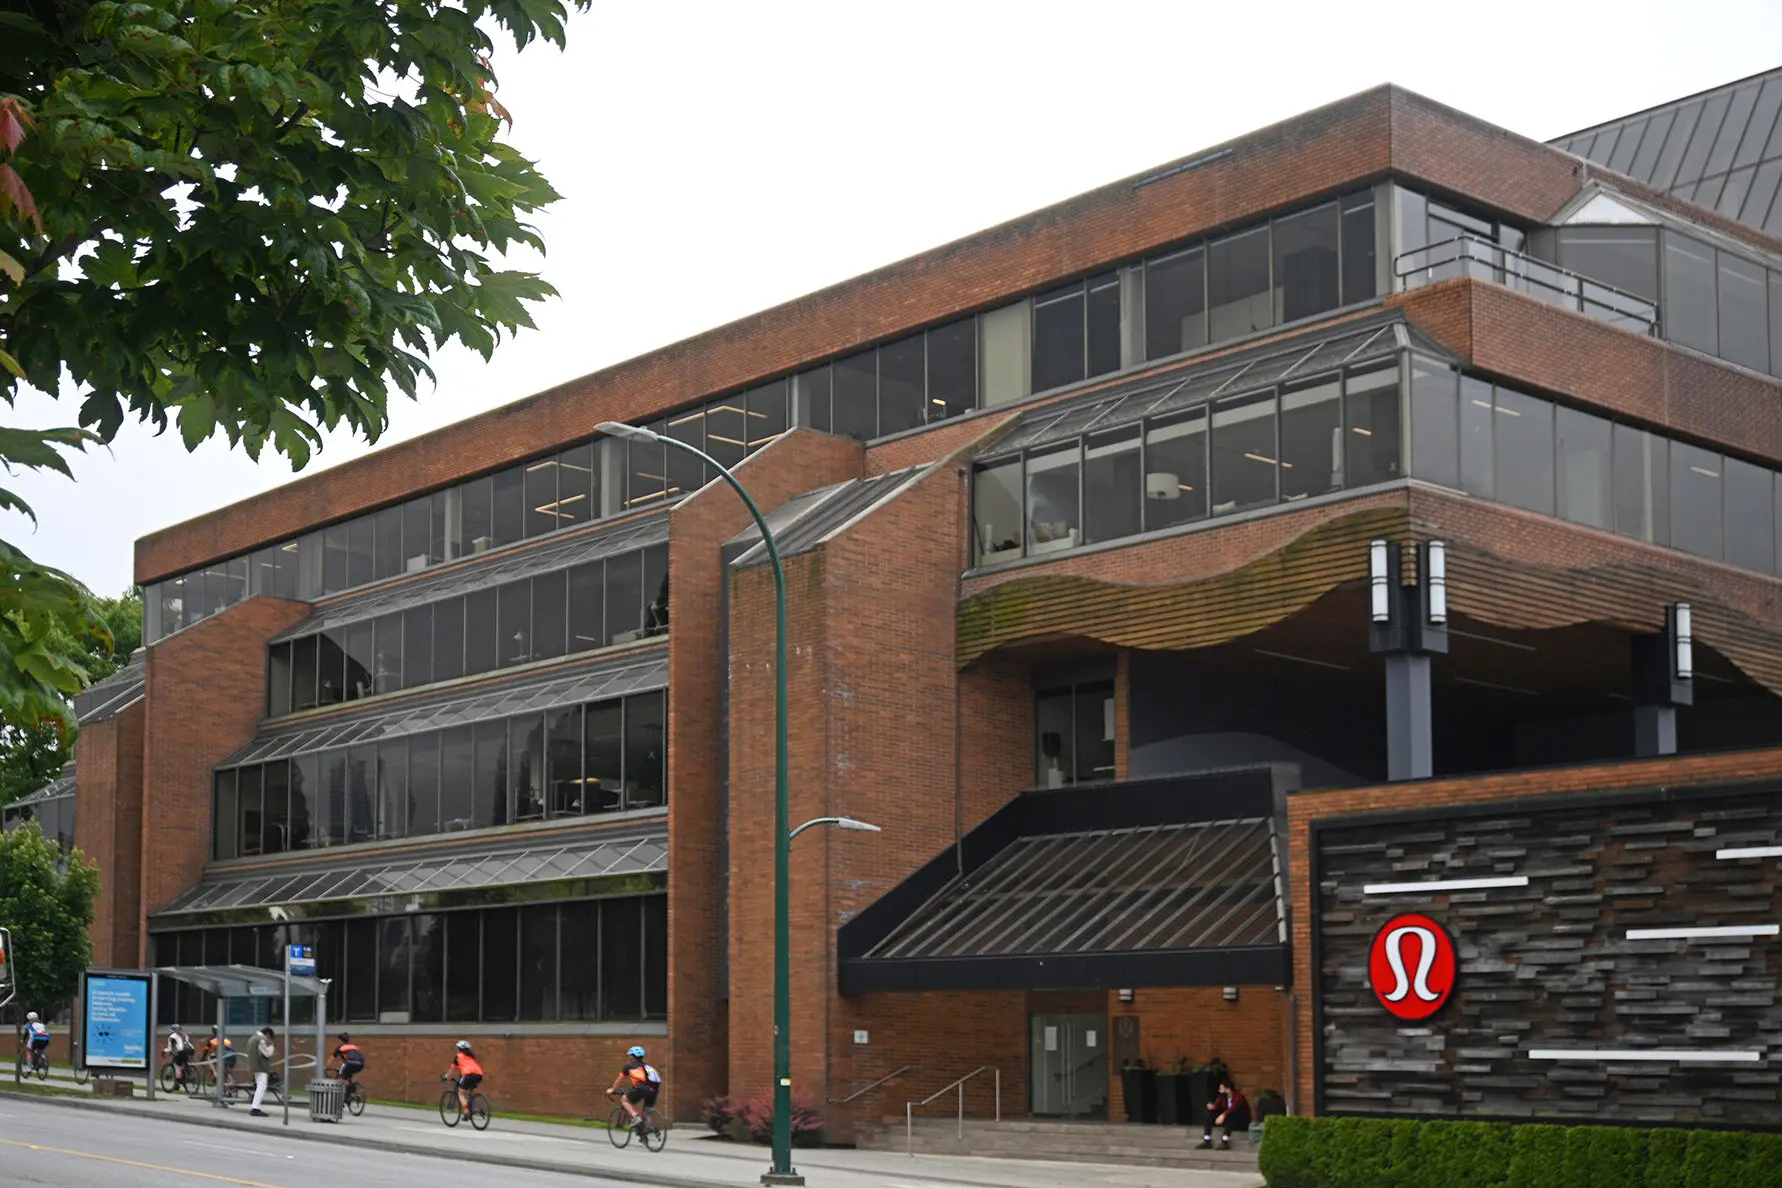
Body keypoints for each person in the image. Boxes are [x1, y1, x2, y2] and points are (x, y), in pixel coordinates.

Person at [606, 1045, 661, 1131]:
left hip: (641, 1089)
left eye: (629, 1055)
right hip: (654, 1090)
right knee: (646, 1110)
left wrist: (612, 1090)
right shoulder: (647, 1067)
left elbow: (618, 1080)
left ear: (632, 1056)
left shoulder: (629, 1066)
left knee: (624, 1100)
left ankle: (635, 1117)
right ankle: (648, 1127)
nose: (628, 1057)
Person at [1197, 1079, 1251, 1150]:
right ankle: (1207, 1139)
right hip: (1226, 1119)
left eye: (1222, 1089)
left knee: (1230, 1115)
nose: (1220, 1091)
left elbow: (1233, 1108)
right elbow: (1217, 1104)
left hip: (1239, 1120)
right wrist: (1212, 1106)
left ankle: (1225, 1140)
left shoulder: (1238, 1097)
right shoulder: (1222, 1097)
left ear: (1228, 1089)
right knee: (1209, 1114)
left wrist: (1223, 1115)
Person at [446, 1041, 483, 1118]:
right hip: (479, 1075)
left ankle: (466, 1111)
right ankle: (473, 1107)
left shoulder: (458, 1056)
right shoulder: (471, 1057)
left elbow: (452, 1069)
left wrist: (446, 1076)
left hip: (468, 1075)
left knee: (461, 1093)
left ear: (459, 1049)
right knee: (470, 1091)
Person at [248, 1028, 277, 1117]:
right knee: (261, 1087)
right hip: (261, 1067)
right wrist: (272, 1045)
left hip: (253, 1066)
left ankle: (255, 1107)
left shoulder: (252, 1038)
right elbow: (267, 1053)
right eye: (270, 1037)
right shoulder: (261, 1039)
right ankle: (255, 1108)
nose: (269, 1039)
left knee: (259, 1086)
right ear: (267, 1034)